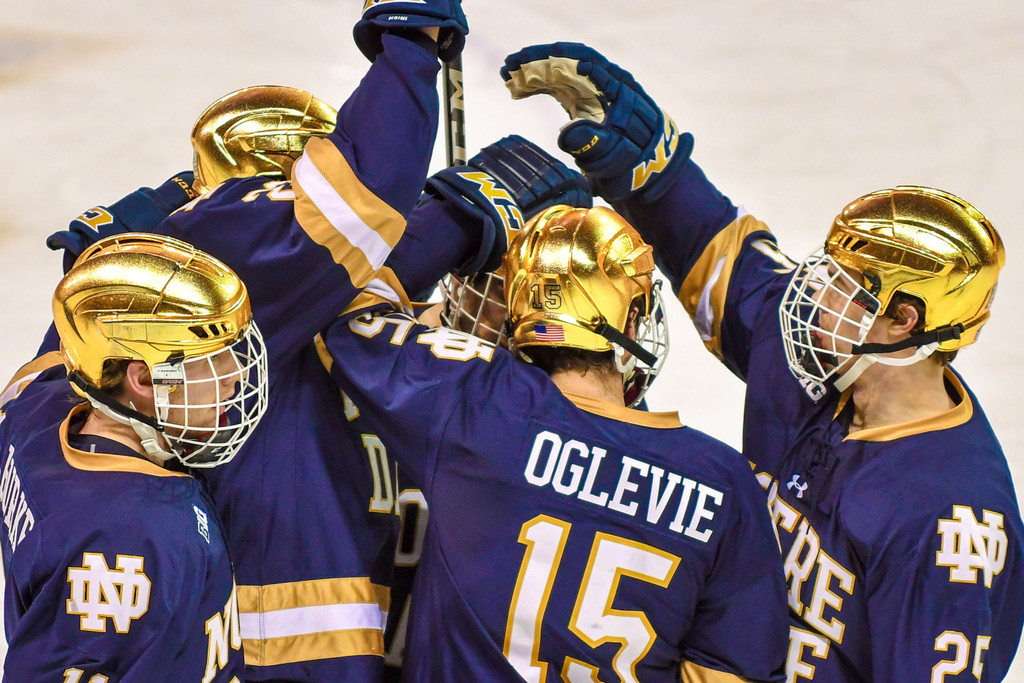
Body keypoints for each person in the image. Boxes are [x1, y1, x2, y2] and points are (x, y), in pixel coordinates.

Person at [500, 42, 1024, 681]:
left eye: (841, 287)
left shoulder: (948, 523)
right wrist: (646, 167)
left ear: (903, 321)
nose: (811, 295)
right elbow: (720, 259)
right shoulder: (833, 364)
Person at [46, 111, 589, 683]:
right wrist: (459, 214)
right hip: (316, 658)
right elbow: (360, 274)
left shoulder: (278, 331)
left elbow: (356, 273)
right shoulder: (270, 343)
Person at [318, 203, 790, 681]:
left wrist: (449, 218)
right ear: (629, 324)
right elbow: (734, 670)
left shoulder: (470, 397)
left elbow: (337, 304)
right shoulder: (725, 484)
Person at [0, 233, 268, 681]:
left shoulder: (35, 411)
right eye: (212, 360)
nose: (233, 379)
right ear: (142, 378)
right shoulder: (135, 540)